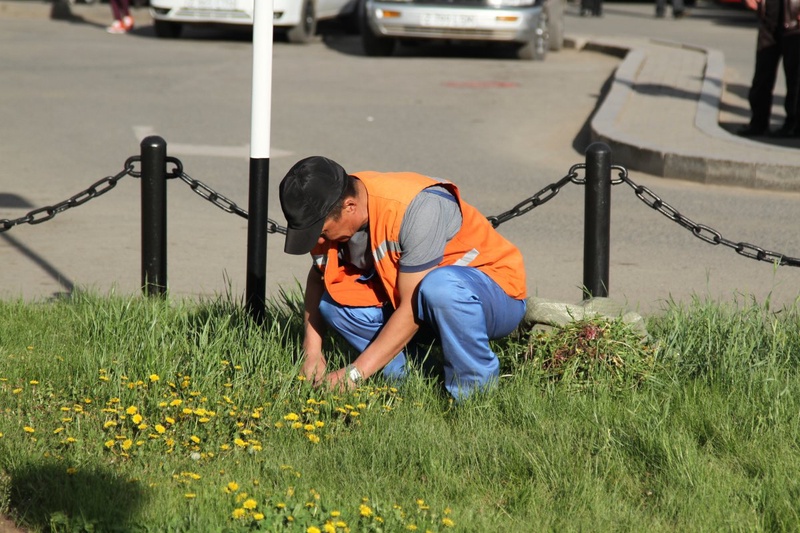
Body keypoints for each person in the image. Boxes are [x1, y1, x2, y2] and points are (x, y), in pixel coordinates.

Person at [279, 156, 527, 402]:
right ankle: (418, 382)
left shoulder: (417, 208)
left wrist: (355, 373)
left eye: (322, 231)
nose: (318, 241)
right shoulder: (333, 210)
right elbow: (319, 278)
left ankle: (473, 396)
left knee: (440, 287)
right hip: (423, 306)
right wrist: (312, 352)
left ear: (350, 207)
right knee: (334, 306)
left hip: (493, 297)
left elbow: (411, 307)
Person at [738, 0, 800, 137]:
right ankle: (758, 123)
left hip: (795, 19)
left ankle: (794, 124)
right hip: (768, 18)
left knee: (795, 77)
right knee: (762, 73)